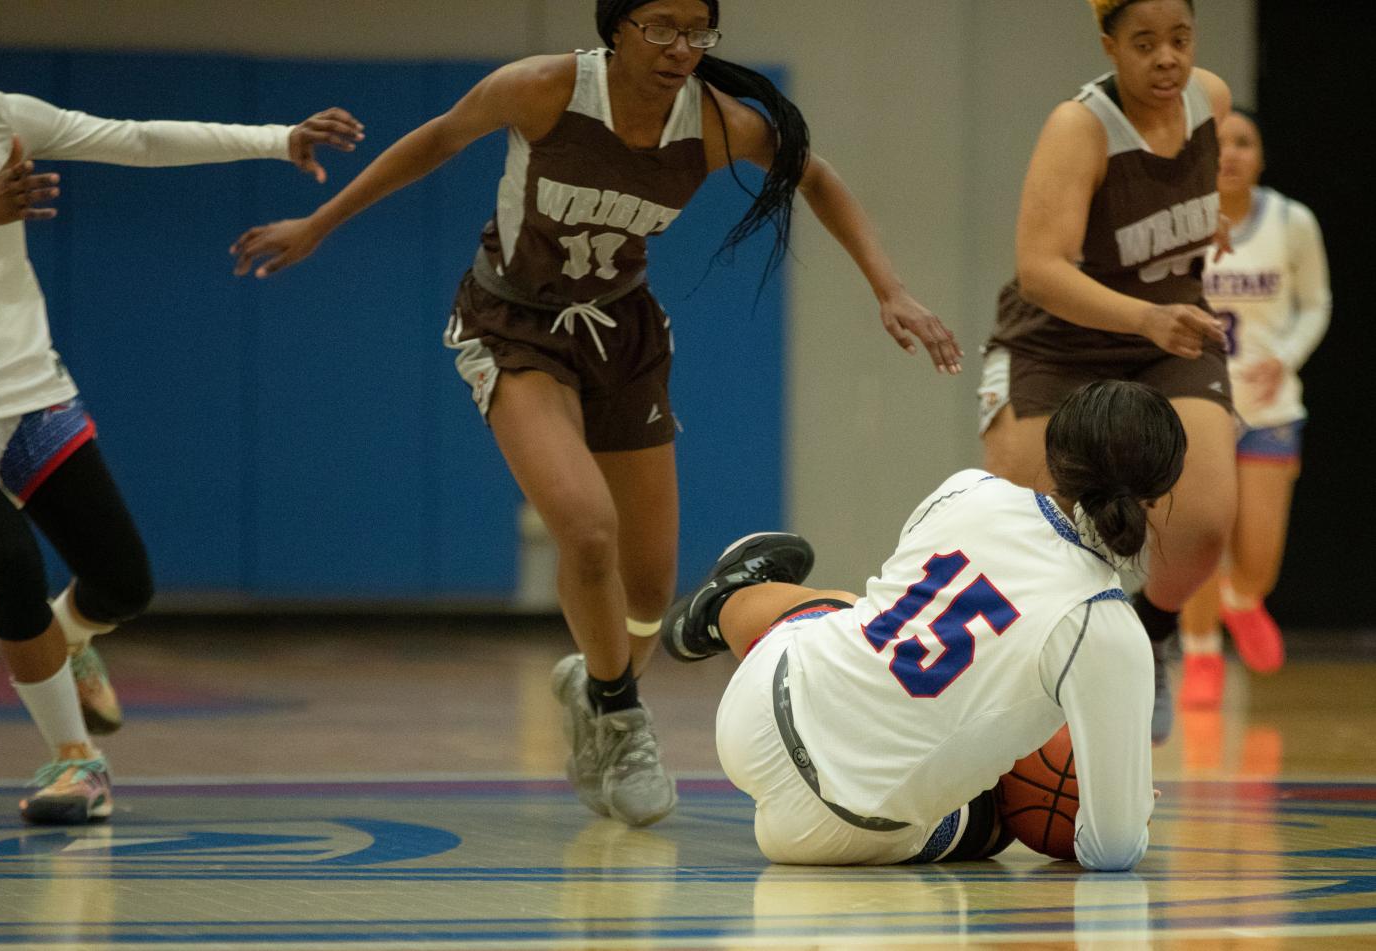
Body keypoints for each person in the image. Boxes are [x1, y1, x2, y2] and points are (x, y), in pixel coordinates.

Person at [230, 0, 961, 827]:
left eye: (696, 30)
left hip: (622, 330)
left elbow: (814, 174)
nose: (679, 47)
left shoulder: (716, 124)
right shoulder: (543, 90)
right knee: (584, 529)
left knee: (648, 586)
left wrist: (888, 288)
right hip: (514, 325)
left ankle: (596, 678)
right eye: (659, 26)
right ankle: (618, 717)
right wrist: (321, 223)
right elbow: (435, 139)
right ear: (616, 27)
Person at [0, 0, 363, 824]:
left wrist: (274, 136)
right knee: (9, 555)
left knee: (124, 583)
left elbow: (133, 137)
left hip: (22, 383)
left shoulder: (3, 120)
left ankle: (67, 641)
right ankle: (77, 761)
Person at [663, 380, 1182, 872]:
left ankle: (727, 604)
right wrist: (1122, 802)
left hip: (751, 716)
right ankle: (726, 603)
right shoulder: (1110, 627)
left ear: (1055, 454)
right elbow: (1112, 848)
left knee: (852, 610)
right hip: (827, 832)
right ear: (1158, 498)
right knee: (1004, 810)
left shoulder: (967, 489)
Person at [975, 0, 1236, 745]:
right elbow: (1038, 270)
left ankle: (1146, 635)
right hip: (1059, 342)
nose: (1166, 59)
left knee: (1205, 522)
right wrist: (1143, 315)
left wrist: (1182, 263)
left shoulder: (1209, 100)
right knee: (1025, 532)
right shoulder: (1078, 126)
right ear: (1109, 45)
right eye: (1145, 43)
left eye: (1179, 39)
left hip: (1169, 332)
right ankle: (1014, 692)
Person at [1177, 109, 1331, 707]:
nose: (1231, 154)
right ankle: (1201, 653)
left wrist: (1285, 358)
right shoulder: (1182, 227)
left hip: (1268, 408)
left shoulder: (1293, 221)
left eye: (1244, 142)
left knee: (1258, 558)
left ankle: (1242, 601)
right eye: (1219, 145)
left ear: (1261, 156)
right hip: (1199, 404)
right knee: (1198, 541)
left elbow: (1316, 304)